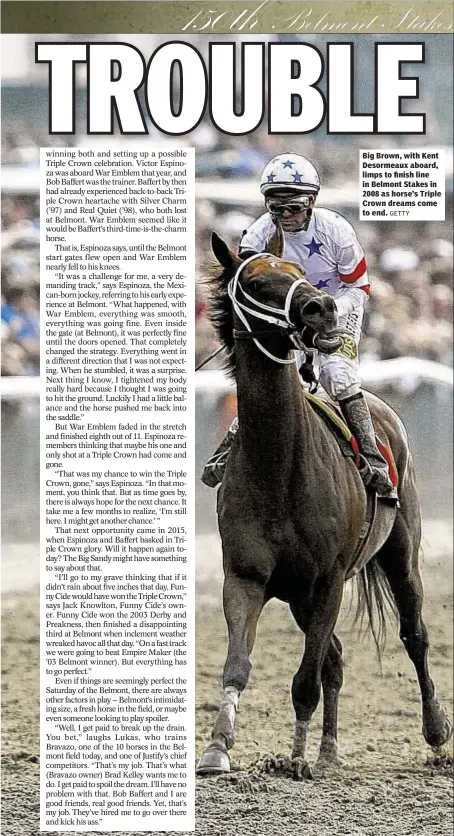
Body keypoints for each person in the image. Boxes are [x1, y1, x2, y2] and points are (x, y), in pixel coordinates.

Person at [202, 153, 396, 498]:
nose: (286, 216)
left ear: (312, 202)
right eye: (277, 208)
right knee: (274, 381)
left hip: (336, 307)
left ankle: (373, 458)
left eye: (295, 206)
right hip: (287, 316)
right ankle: (231, 443)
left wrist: (327, 310)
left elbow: (359, 288)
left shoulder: (337, 230)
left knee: (337, 374)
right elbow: (246, 288)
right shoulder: (258, 237)